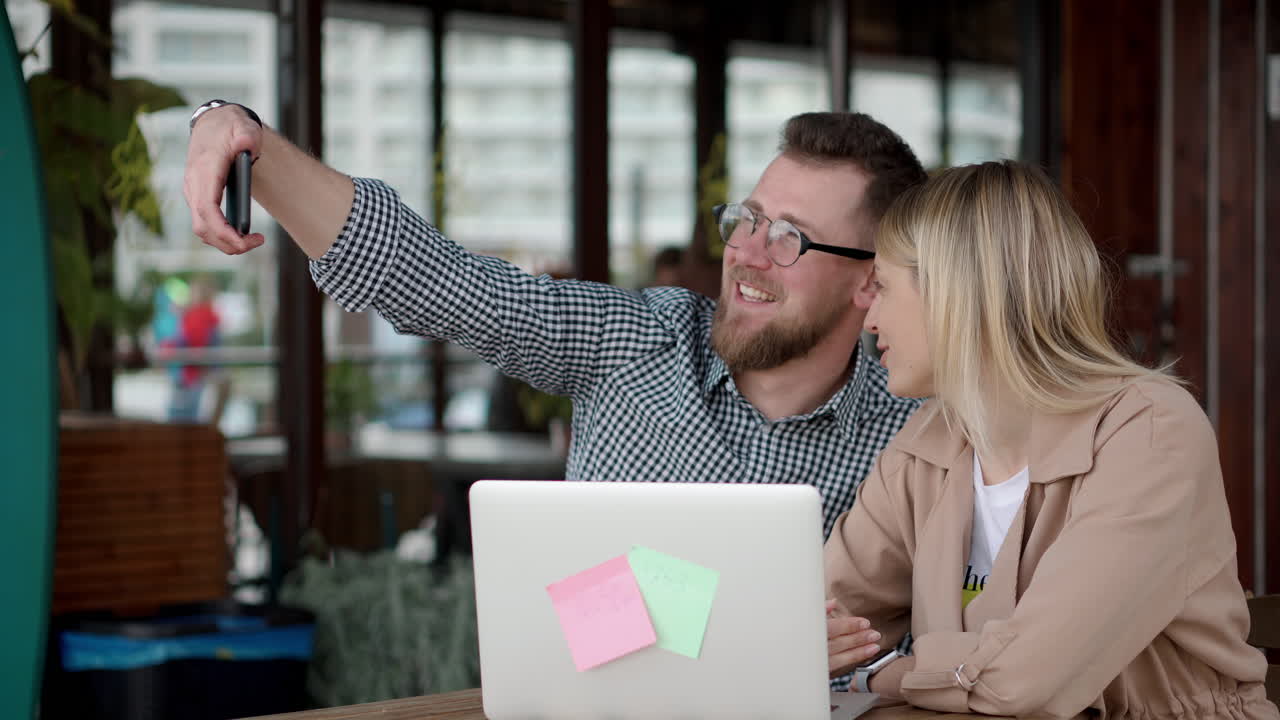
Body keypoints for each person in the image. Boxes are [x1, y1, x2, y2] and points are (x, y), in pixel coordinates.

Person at [184, 105, 923, 544]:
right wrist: (246, 137)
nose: (746, 253)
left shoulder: (917, 434)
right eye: (749, 218)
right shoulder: (635, 341)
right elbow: (438, 280)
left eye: (788, 236)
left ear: (869, 280)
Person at [824, 161, 1279, 719]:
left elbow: (1024, 680)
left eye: (884, 288)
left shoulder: (1150, 429)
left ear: (958, 295)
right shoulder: (929, 441)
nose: (868, 317)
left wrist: (885, 674)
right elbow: (813, 612)